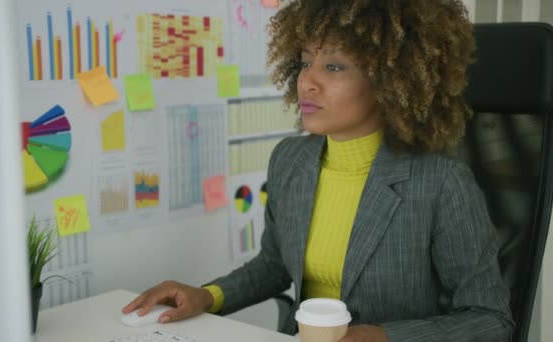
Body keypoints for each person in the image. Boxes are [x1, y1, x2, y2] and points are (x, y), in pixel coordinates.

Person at [123, 0, 514, 341]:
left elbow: (490, 320)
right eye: (307, 62)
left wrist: (384, 337)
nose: (308, 81)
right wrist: (208, 296)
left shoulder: (441, 184)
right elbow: (275, 265)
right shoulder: (291, 160)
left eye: (334, 66)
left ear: (390, 83)